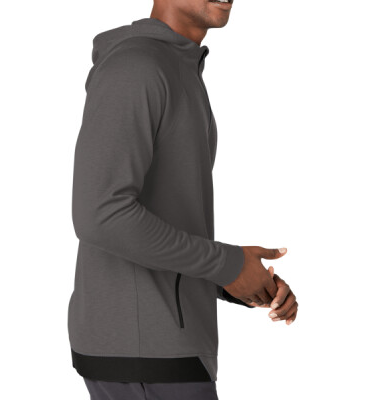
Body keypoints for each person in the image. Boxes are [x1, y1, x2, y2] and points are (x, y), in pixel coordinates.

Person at [68, 1, 299, 399]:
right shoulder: (136, 67)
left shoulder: (177, 67)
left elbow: (163, 219)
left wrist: (240, 279)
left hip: (165, 349)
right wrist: (225, 264)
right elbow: (101, 214)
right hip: (144, 354)